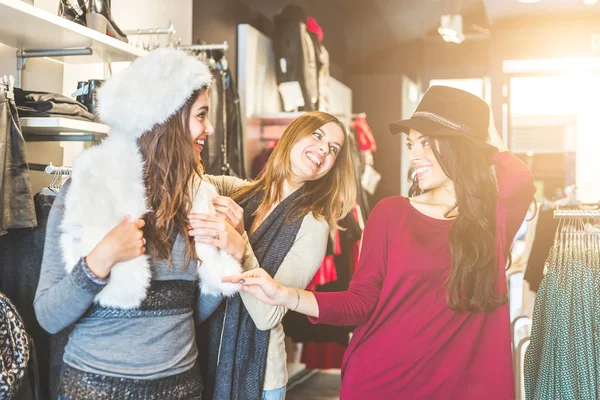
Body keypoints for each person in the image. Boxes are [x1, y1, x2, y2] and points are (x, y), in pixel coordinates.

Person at [224, 86, 536, 400]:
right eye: (412, 143)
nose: (414, 155)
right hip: (382, 383)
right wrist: (283, 294)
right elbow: (360, 302)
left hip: (464, 388)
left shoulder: (489, 222)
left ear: (460, 147)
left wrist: (488, 137)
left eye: (426, 142)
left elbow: (521, 181)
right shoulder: (392, 213)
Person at [34, 48, 245, 399]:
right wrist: (98, 261)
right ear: (165, 119)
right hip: (95, 390)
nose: (209, 129)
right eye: (201, 116)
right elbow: (47, 316)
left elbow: (192, 314)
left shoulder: (199, 199)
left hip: (182, 390)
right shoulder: (87, 194)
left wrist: (233, 253)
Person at [189, 111, 357, 400]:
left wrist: (241, 245)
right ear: (294, 134)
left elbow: (268, 316)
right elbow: (189, 178)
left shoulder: (314, 225)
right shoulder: (241, 193)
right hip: (207, 356)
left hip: (259, 375)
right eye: (317, 135)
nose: (323, 150)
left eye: (333, 149)